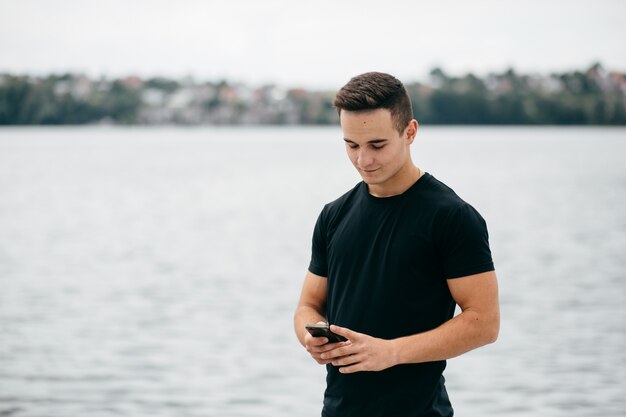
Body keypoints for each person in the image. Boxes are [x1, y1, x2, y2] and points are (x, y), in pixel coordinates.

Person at [293, 72, 500, 417]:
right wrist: (309, 337)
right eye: (352, 145)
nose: (364, 160)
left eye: (377, 145)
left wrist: (390, 352)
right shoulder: (333, 216)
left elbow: (485, 322)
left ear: (410, 132)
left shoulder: (452, 217)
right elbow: (307, 306)